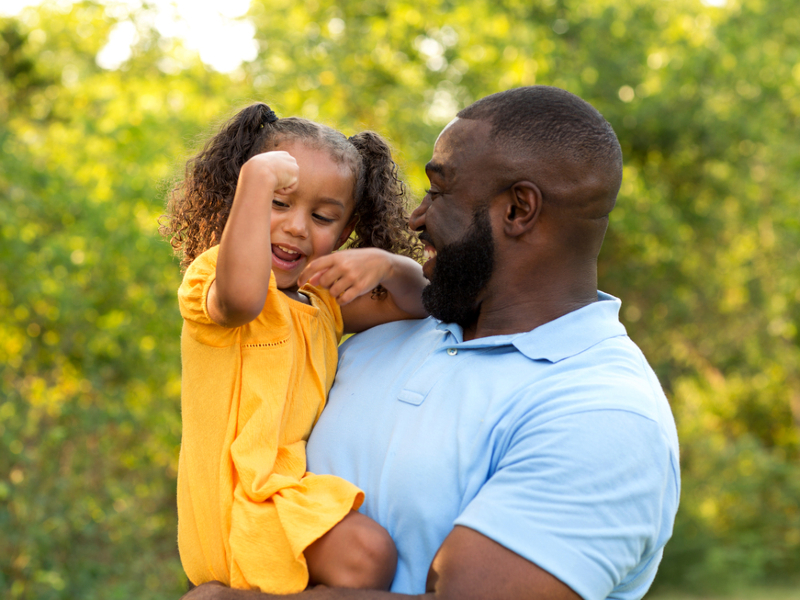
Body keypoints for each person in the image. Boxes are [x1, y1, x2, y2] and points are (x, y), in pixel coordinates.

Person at [182, 86, 680, 600]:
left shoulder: (602, 414)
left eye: (439, 193)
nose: (416, 217)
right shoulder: (375, 334)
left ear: (518, 210)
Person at [160, 103, 429, 594]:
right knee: (368, 554)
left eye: (322, 216)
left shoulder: (321, 299)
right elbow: (240, 298)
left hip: (281, 501)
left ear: (344, 232)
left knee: (369, 559)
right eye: (277, 204)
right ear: (240, 203)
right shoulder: (213, 276)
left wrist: (390, 266)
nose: (296, 227)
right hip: (237, 505)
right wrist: (256, 180)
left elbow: (420, 304)